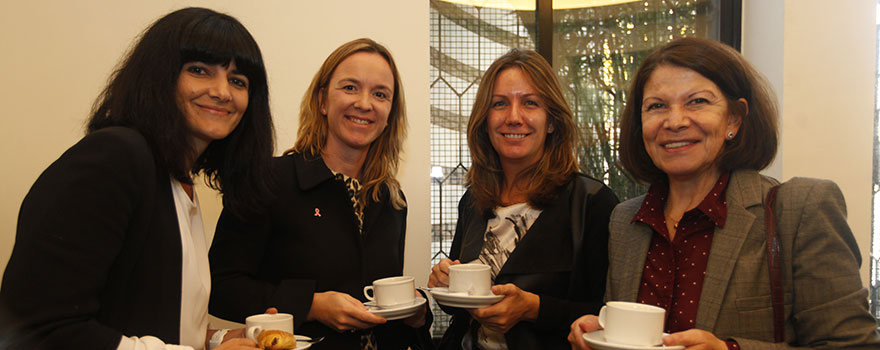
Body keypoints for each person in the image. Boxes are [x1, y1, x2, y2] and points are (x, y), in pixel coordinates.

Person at [568, 37, 880, 349]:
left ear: (734, 119)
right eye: (657, 106)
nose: (674, 121)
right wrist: (606, 334)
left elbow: (853, 345)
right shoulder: (625, 222)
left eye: (697, 102)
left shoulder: (801, 209)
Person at [0, 7, 274, 350]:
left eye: (238, 81)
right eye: (200, 70)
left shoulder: (178, 182)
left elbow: (141, 321)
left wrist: (215, 340)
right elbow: (38, 328)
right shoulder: (115, 157)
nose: (222, 91)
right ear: (159, 77)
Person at [208, 38, 431, 350]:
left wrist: (417, 314)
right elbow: (221, 289)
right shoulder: (267, 179)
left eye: (380, 94)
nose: (365, 103)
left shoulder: (391, 199)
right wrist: (311, 304)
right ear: (322, 101)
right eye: (350, 87)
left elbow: (386, 309)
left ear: (390, 112)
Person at [427, 48, 619, 350]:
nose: (514, 118)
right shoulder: (474, 201)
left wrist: (534, 308)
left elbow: (611, 315)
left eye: (530, 103)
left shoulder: (592, 203)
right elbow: (462, 308)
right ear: (485, 121)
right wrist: (445, 283)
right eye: (500, 104)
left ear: (552, 121)